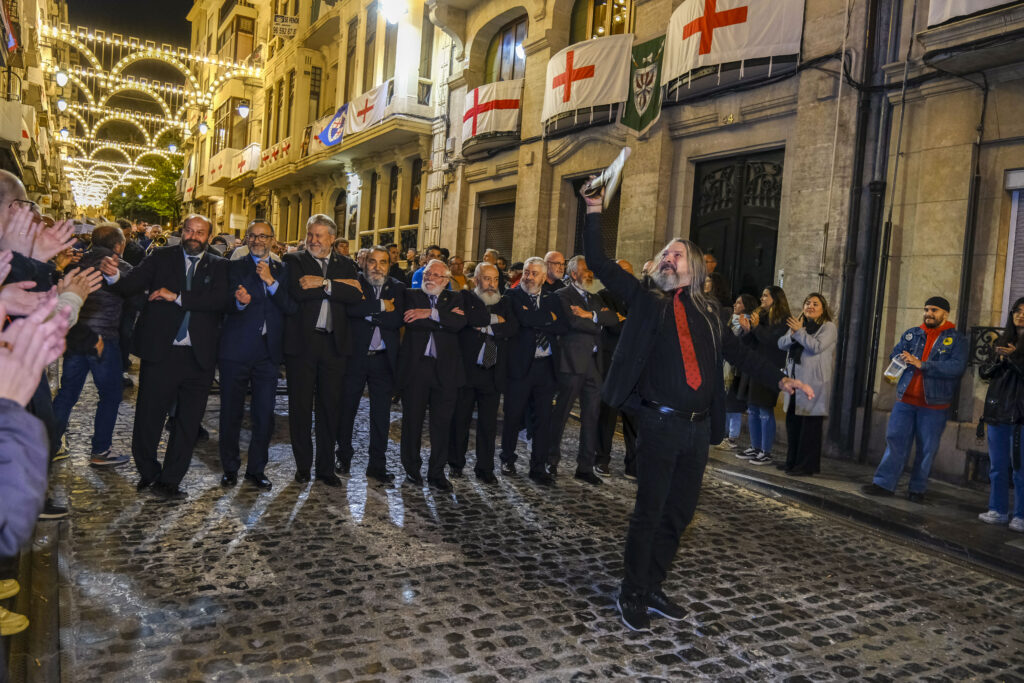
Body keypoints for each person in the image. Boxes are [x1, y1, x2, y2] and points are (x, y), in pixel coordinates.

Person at [582, 183, 812, 632]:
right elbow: (600, 263)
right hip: (657, 422)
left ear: (696, 268)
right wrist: (594, 211)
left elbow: (740, 355)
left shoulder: (710, 310)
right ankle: (631, 590)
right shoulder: (646, 300)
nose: (668, 259)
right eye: (664, 255)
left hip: (697, 429)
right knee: (649, 509)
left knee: (681, 513)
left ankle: (652, 584)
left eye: (677, 255)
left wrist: (780, 378)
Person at [99, 215, 227, 499]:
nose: (194, 236)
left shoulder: (219, 265)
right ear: (182, 232)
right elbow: (130, 284)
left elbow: (221, 301)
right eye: (189, 231)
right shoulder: (161, 256)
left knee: (188, 422)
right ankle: (148, 473)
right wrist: (113, 276)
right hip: (161, 352)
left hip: (200, 356)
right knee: (148, 416)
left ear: (209, 235)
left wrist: (177, 296)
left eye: (200, 232)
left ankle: (171, 480)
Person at [861, 296, 968, 502]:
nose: (928, 313)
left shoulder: (956, 339)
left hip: (934, 405)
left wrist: (923, 364)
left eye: (934, 310)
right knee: (895, 442)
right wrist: (899, 358)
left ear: (945, 313)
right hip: (905, 401)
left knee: (927, 449)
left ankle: (917, 489)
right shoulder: (913, 334)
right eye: (926, 309)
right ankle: (884, 484)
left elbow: (956, 367)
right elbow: (894, 353)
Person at [282, 214, 363, 487]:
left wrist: (324, 283)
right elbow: (299, 292)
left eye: (319, 235)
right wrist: (339, 288)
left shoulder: (347, 264)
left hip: (334, 345)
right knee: (301, 408)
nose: (313, 240)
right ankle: (303, 467)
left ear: (332, 237)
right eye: (310, 235)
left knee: (331, 408)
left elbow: (355, 297)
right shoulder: (294, 261)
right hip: (303, 345)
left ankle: (326, 468)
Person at [218, 220, 295, 492]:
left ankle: (256, 469)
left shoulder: (283, 270)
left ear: (273, 240)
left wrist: (271, 282)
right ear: (246, 239)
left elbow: (290, 306)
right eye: (252, 236)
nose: (257, 240)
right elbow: (221, 303)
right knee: (231, 413)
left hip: (267, 354)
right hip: (235, 351)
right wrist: (239, 301)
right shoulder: (232, 267)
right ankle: (229, 468)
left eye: (263, 236)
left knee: (264, 415)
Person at [51, 223, 132, 467]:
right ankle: (100, 450)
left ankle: (49, 444)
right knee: (109, 395)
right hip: (104, 340)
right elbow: (136, 297)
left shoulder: (74, 263)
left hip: (76, 337)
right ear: (118, 245)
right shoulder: (123, 268)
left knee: (67, 394)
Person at [336, 245, 405, 484]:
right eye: (372, 261)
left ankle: (377, 465)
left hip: (383, 361)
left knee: (381, 416)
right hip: (355, 358)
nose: (377, 267)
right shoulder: (353, 283)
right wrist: (381, 307)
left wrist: (367, 313)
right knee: (347, 410)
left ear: (389, 265)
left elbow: (397, 319)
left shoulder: (397, 287)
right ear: (364, 263)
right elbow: (349, 310)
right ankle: (343, 457)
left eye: (383, 262)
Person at [397, 259, 467, 491]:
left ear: (446, 280)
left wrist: (429, 313)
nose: (430, 278)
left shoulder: (456, 298)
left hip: (445, 371)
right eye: (427, 273)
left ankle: (437, 472)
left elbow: (459, 323)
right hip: (416, 370)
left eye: (436, 275)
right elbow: (412, 323)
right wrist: (441, 318)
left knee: (441, 424)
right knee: (412, 423)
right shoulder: (411, 295)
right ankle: (412, 469)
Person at [549, 256, 618, 485]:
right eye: (585, 270)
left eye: (590, 270)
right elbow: (572, 322)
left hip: (594, 364)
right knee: (561, 414)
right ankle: (550, 461)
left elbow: (613, 319)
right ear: (573, 273)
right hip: (572, 362)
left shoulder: (594, 297)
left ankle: (585, 467)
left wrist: (591, 315)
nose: (589, 274)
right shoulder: (562, 296)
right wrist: (597, 321)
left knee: (591, 416)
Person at [499, 257, 567, 484]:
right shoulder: (512, 296)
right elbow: (523, 320)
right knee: (513, 416)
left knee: (543, 420)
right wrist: (547, 319)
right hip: (519, 368)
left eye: (533, 273)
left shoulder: (552, 298)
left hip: (546, 367)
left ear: (543, 276)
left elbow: (563, 325)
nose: (528, 277)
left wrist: (539, 319)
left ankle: (538, 467)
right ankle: (507, 458)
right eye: (526, 272)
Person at [450, 263, 518, 483]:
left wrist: (487, 327)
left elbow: (513, 327)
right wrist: (495, 320)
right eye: (487, 279)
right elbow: (469, 320)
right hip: (468, 372)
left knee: (488, 426)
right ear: (477, 279)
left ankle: (485, 468)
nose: (492, 284)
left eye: (496, 279)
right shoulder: (466, 297)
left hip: (492, 373)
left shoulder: (505, 301)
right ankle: (456, 464)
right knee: (460, 421)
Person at [977, 297, 1024, 531]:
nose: (1021, 315)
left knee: (1020, 468)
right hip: (997, 413)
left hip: (1020, 416)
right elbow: (984, 373)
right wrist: (999, 359)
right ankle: (997, 510)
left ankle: (1021, 515)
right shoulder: (1003, 341)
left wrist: (1014, 358)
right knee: (997, 466)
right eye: (1017, 310)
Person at [777, 293, 837, 476]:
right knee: (793, 424)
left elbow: (816, 347)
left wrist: (799, 332)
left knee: (809, 427)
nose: (810, 306)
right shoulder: (799, 323)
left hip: (814, 382)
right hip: (795, 382)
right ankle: (792, 461)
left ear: (823, 308)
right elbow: (781, 344)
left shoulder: (828, 327)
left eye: (815, 304)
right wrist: (794, 334)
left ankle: (806, 466)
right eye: (807, 303)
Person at [736, 286, 790, 465]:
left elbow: (771, 341)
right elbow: (748, 342)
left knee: (765, 409)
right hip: (755, 365)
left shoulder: (783, 320)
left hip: (770, 368)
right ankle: (755, 446)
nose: (762, 298)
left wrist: (757, 327)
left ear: (776, 298)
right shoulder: (761, 316)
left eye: (766, 295)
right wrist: (746, 329)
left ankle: (766, 451)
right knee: (752, 408)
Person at [596, 259, 637, 479]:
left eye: (629, 272)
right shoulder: (602, 295)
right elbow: (612, 325)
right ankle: (601, 459)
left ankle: (633, 465)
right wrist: (630, 323)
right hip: (610, 362)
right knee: (607, 415)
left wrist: (625, 321)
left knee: (633, 417)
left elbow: (644, 327)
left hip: (633, 366)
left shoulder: (640, 297)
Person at [718, 294, 758, 451]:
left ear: (746, 305)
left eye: (739, 302)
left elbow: (735, 341)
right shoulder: (732, 320)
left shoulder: (744, 322)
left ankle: (732, 436)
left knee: (734, 405)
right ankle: (724, 433)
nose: (735, 304)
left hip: (736, 369)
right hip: (726, 366)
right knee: (726, 402)